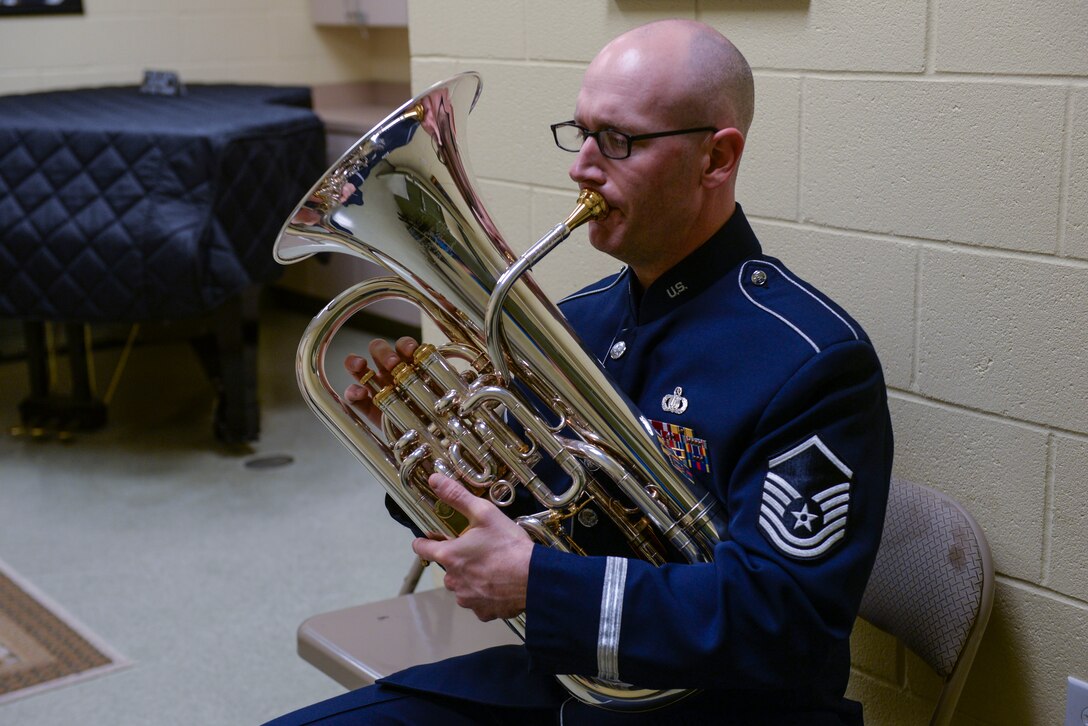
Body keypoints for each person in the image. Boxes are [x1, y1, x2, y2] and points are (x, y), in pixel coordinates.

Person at [268, 18, 893, 726]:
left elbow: (783, 624)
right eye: (582, 132)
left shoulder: (809, 359)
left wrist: (539, 585)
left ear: (716, 158)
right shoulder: (580, 321)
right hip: (571, 679)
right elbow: (515, 507)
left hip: (726, 708)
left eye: (618, 141)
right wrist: (424, 454)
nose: (581, 165)